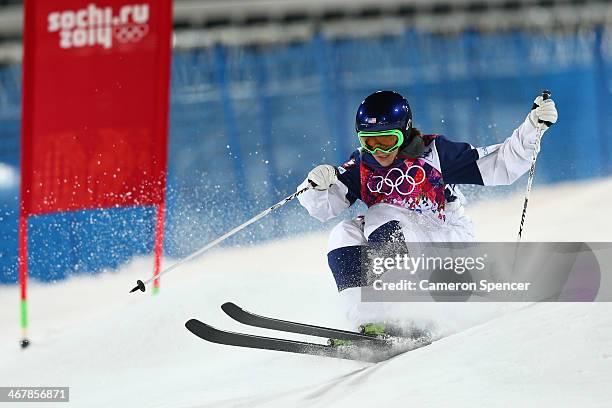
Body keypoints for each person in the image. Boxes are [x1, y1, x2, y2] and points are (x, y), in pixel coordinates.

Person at [296, 90, 558, 336]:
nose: (379, 151)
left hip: (448, 244)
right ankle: (369, 321)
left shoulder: (435, 153)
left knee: (381, 214)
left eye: (387, 140)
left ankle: (406, 313)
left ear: (404, 131)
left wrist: (532, 129)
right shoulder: (362, 165)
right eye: (370, 142)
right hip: (401, 240)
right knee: (343, 233)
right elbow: (325, 208)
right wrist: (315, 186)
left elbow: (500, 165)